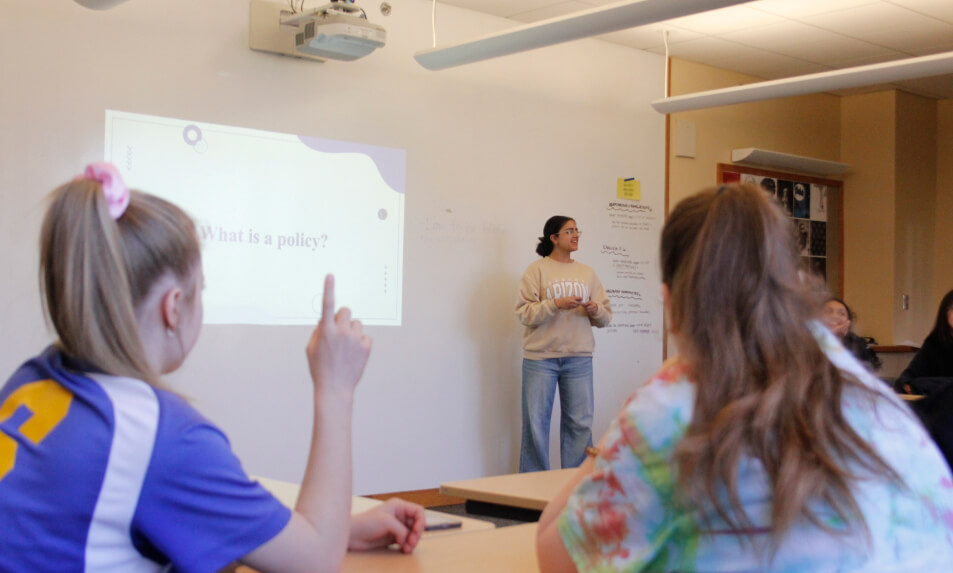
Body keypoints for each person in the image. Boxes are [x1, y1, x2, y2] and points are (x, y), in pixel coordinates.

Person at [0, 163, 425, 571]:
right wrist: (336, 387)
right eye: (199, 289)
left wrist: (335, 530)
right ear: (174, 306)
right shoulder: (158, 437)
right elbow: (315, 563)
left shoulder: (32, 379)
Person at [536, 184, 953, 571]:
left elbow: (556, 556)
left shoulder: (671, 411)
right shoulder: (870, 397)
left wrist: (608, 443)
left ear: (669, 298)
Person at [515, 216, 612, 473]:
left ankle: (575, 489)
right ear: (553, 238)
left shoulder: (587, 272)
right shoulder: (536, 270)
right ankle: (531, 489)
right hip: (540, 359)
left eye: (577, 230)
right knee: (536, 425)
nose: (576, 235)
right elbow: (524, 313)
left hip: (579, 358)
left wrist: (594, 309)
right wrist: (555, 304)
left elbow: (605, 316)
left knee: (580, 425)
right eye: (569, 231)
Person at [895, 288, 953, 395]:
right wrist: (907, 384)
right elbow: (906, 378)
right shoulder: (934, 343)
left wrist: (922, 385)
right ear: (945, 313)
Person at [823, 297, 882, 372]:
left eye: (842, 313)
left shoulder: (858, 344)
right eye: (828, 312)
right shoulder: (808, 342)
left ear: (848, 322)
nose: (835, 316)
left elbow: (869, 368)